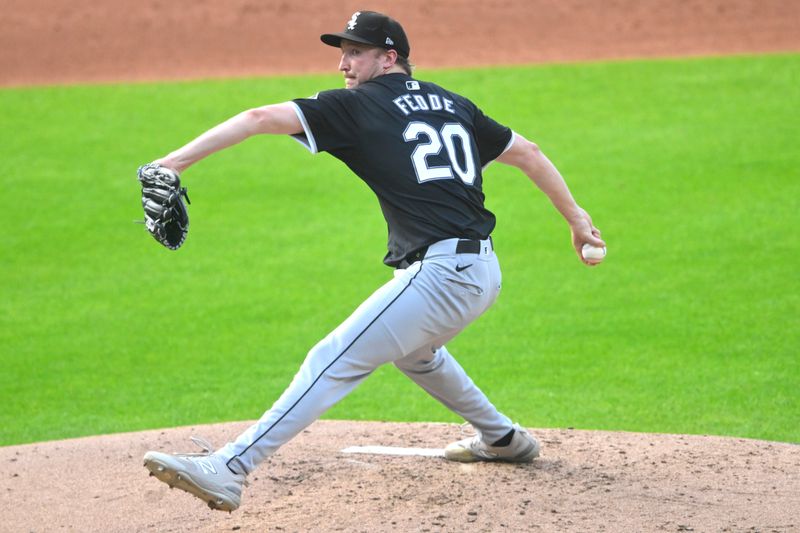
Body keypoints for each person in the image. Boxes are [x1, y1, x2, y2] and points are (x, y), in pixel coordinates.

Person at [142, 10, 605, 512]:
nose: (344, 63)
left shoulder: (357, 106)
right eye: (342, 51)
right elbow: (529, 152)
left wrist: (172, 163)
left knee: (332, 358)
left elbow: (257, 120)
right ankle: (502, 437)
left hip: (443, 277)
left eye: (355, 52)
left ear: (389, 58)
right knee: (415, 354)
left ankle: (230, 469)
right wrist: (578, 220)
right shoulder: (454, 103)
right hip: (481, 273)